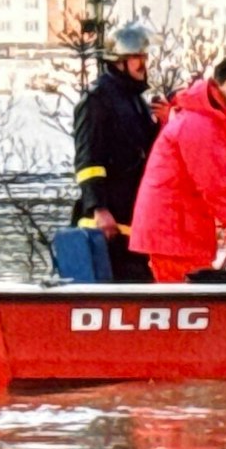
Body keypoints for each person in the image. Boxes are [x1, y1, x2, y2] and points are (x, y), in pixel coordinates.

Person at [129, 56, 226, 283]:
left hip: (178, 229)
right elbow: (216, 184)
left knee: (184, 301)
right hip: (176, 232)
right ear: (216, 86)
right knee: (186, 301)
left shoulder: (200, 119)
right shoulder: (201, 125)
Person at [72, 25, 163, 282]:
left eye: (145, 57)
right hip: (107, 222)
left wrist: (164, 124)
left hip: (132, 216)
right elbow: (88, 160)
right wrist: (98, 208)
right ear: (118, 61)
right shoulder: (97, 99)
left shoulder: (134, 99)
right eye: (137, 57)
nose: (143, 64)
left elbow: (147, 152)